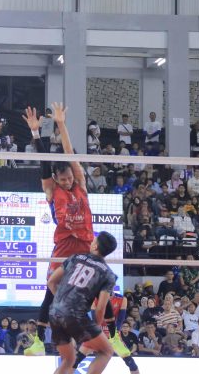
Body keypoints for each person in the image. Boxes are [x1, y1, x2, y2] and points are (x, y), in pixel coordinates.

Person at [22, 103, 95, 355]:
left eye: (69, 178)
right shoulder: (52, 190)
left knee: (89, 295)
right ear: (55, 179)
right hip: (64, 247)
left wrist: (62, 124)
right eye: (63, 179)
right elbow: (44, 162)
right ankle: (40, 341)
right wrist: (35, 133)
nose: (68, 181)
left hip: (86, 247)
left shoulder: (80, 185)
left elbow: (69, 153)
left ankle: (92, 336)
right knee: (50, 291)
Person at [48, 232, 118, 374]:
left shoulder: (74, 258)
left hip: (54, 312)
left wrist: (61, 302)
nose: (91, 242)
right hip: (75, 315)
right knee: (106, 351)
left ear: (96, 245)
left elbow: (51, 282)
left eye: (93, 240)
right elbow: (100, 308)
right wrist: (96, 330)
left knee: (69, 360)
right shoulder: (108, 274)